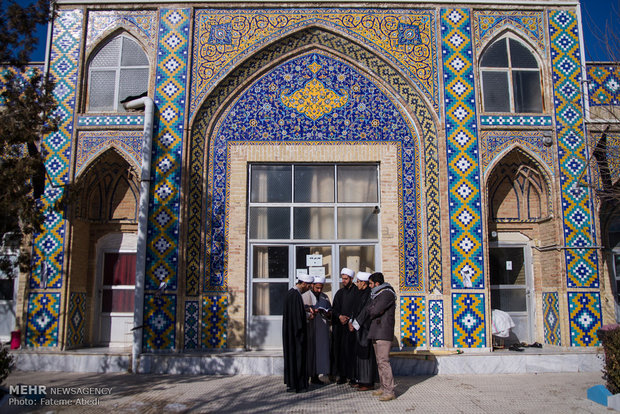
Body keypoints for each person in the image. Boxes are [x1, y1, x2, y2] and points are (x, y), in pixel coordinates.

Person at [350, 272, 396, 401]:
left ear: (377, 283)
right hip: (376, 331)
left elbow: (374, 310)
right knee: (379, 362)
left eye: (370, 283)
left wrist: (374, 309)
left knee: (384, 362)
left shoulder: (386, 293)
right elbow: (371, 308)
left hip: (383, 332)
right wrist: (373, 309)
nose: (369, 286)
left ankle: (389, 390)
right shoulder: (377, 294)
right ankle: (383, 387)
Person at [283, 274, 314, 393]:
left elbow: (295, 312)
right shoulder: (295, 296)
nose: (308, 289)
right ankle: (299, 385)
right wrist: (308, 315)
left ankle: (292, 384)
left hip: (290, 334)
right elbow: (297, 317)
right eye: (309, 287)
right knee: (298, 358)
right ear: (304, 284)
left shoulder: (290, 294)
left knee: (291, 358)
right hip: (297, 335)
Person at [348, 271, 378, 391]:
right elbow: (355, 310)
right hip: (358, 329)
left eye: (359, 282)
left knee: (366, 355)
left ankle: (367, 382)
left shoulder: (368, 295)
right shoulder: (359, 294)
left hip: (365, 329)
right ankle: (360, 380)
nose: (357, 284)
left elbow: (365, 311)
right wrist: (351, 320)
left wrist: (355, 324)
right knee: (359, 354)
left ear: (364, 284)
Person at [302, 275, 332, 384]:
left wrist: (328, 313)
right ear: (312, 286)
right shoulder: (305, 296)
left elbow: (330, 310)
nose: (319, 290)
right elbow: (301, 312)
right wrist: (310, 312)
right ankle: (308, 375)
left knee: (320, 352)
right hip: (310, 328)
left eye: (321, 288)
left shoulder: (324, 297)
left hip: (322, 329)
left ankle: (316, 375)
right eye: (317, 288)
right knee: (310, 352)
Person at [331, 267, 359, 384]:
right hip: (340, 329)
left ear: (351, 279)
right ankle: (341, 375)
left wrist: (351, 320)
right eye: (342, 279)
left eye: (346, 279)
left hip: (352, 328)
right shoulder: (339, 293)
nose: (344, 281)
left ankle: (352, 377)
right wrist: (339, 317)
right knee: (341, 351)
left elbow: (358, 308)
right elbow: (334, 309)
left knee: (351, 352)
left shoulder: (357, 292)